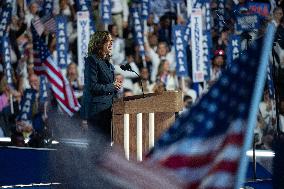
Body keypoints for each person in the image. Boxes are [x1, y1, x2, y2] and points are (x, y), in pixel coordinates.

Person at [81, 31, 122, 141]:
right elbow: (92, 86)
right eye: (108, 41)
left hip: (110, 110)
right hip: (98, 112)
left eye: (111, 41)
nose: (111, 43)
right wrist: (112, 86)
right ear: (99, 43)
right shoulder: (92, 60)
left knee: (107, 147)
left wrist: (115, 87)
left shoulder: (108, 63)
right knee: (97, 148)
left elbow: (109, 87)